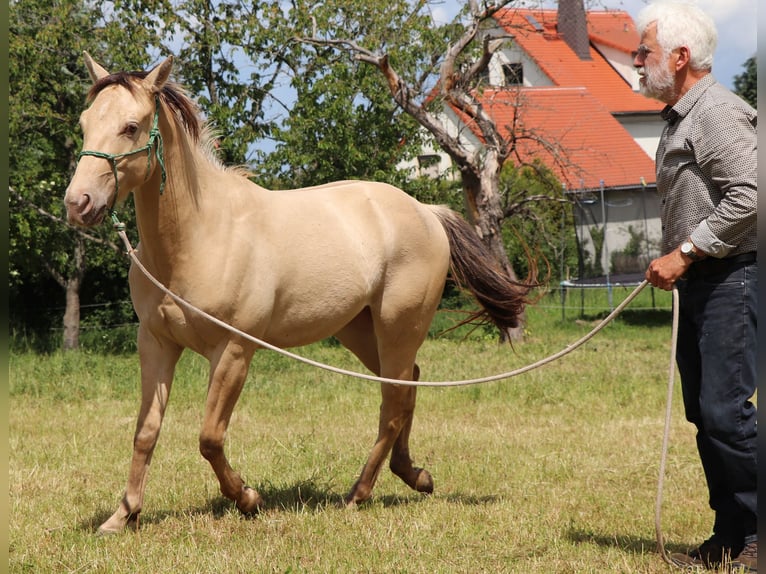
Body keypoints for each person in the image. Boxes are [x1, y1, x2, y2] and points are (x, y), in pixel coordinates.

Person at [634, 1, 757, 571]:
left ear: (680, 57)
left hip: (731, 277)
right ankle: (732, 535)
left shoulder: (717, 114)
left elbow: (751, 197)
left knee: (725, 413)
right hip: (704, 283)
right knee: (705, 414)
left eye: (645, 52)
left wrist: (684, 252)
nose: (637, 62)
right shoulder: (683, 118)